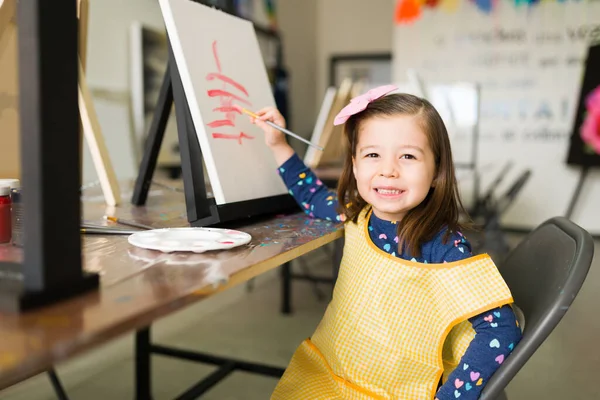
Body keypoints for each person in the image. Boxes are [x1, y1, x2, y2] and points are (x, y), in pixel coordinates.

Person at [249, 85, 522, 399]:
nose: (388, 170)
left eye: (408, 156)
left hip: (396, 391)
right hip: (332, 374)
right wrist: (278, 144)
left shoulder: (444, 246)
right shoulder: (355, 214)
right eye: (373, 155)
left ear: (436, 170)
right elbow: (312, 195)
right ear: (354, 164)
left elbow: (501, 330)